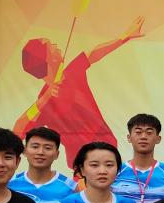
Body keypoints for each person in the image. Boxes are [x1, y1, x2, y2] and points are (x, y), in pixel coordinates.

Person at [13, 16, 145, 165]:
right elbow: (18, 129)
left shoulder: (70, 73)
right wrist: (45, 98)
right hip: (81, 165)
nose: (56, 45)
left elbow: (92, 54)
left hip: (107, 151)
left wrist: (125, 37)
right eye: (50, 45)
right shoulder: (43, 102)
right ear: (47, 59)